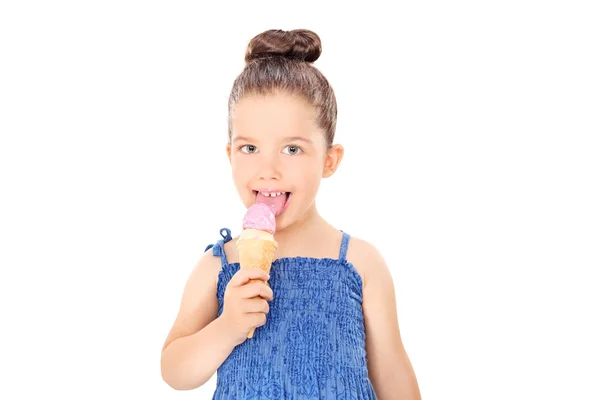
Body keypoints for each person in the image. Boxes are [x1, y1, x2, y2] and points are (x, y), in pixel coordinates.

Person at [160, 28, 422, 399]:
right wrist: (226, 327)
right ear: (230, 155)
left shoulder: (360, 262)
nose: (268, 168)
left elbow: (393, 372)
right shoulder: (219, 264)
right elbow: (174, 370)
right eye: (249, 147)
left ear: (329, 160)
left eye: (292, 150)